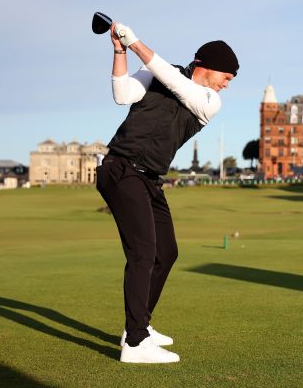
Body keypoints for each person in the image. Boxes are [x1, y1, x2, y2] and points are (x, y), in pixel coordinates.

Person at [96, 21, 238, 364]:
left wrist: (136, 43)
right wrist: (119, 49)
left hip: (150, 178)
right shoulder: (161, 72)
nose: (226, 86)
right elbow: (122, 94)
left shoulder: (209, 101)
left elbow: (177, 84)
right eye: (227, 77)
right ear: (208, 66)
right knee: (143, 252)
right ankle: (134, 343)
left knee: (167, 252)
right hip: (121, 169)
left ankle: (140, 325)